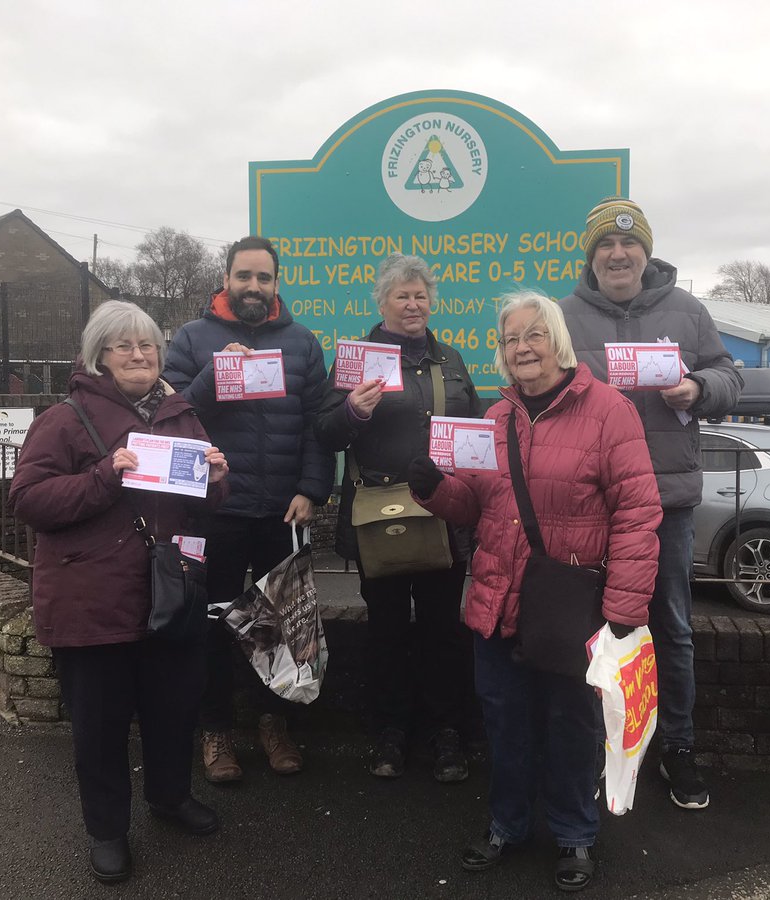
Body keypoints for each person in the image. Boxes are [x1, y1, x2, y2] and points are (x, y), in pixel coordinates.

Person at [407, 291, 661, 892]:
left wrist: (625, 608)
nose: (521, 347)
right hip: (499, 602)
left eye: (533, 335)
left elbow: (637, 512)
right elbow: (473, 506)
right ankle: (507, 824)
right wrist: (433, 490)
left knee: (571, 725)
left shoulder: (609, 411)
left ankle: (574, 832)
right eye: (509, 338)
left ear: (558, 340)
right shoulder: (494, 418)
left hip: (572, 607)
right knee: (505, 723)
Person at [9, 300, 230, 884]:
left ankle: (170, 798)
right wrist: (106, 475)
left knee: (173, 709)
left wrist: (215, 478)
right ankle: (107, 831)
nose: (140, 355)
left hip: (172, 589)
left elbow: (207, 506)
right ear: (99, 356)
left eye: (149, 345)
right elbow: (28, 500)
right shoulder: (66, 418)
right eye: (125, 346)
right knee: (100, 727)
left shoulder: (182, 413)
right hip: (93, 598)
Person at [559, 197, 743, 811]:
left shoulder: (688, 311)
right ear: (592, 255)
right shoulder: (563, 316)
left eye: (629, 244)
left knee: (670, 630)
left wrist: (699, 386)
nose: (618, 254)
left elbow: (729, 376)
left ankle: (679, 749)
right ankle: (594, 753)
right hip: (591, 502)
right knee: (590, 633)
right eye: (606, 246)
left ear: (645, 251)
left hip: (665, 502)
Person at [162, 236, 334, 782]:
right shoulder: (192, 338)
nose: (254, 287)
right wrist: (215, 375)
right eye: (244, 277)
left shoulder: (303, 343)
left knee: (281, 626)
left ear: (276, 283)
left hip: (282, 509)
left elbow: (318, 423)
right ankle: (216, 733)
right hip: (216, 509)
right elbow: (170, 414)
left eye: (264, 278)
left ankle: (273, 724)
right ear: (227, 279)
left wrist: (311, 489)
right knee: (211, 623)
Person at [315, 252, 483, 781]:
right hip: (378, 516)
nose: (412, 304)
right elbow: (325, 433)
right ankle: (389, 731)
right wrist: (353, 411)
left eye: (420, 295)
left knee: (441, 629)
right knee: (385, 629)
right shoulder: (355, 362)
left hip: (442, 515)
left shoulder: (451, 361)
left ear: (431, 300)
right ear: (382, 302)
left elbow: (477, 433)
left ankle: (446, 732)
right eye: (401, 296)